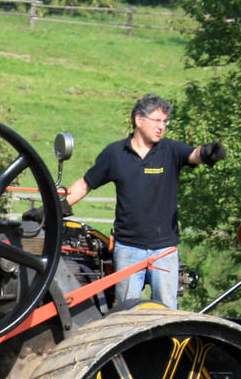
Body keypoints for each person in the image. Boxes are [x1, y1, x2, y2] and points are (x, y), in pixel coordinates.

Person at [61, 94, 225, 308]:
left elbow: (194, 155)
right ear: (139, 120)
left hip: (164, 249)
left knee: (166, 313)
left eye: (165, 122)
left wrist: (207, 153)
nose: (162, 127)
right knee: (124, 311)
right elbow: (85, 184)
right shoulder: (114, 153)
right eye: (157, 121)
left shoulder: (171, 151)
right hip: (128, 248)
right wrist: (54, 207)